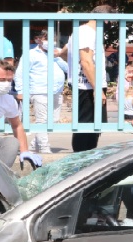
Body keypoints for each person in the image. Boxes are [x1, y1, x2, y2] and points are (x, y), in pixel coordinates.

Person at [60, 5, 115, 152]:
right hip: (87, 86)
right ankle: (81, 161)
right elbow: (86, 61)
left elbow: (65, 53)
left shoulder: (84, 32)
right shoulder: (86, 32)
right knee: (87, 128)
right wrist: (97, 89)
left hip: (88, 84)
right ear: (107, 20)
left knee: (94, 127)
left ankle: (84, 158)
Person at [15, 30, 69, 154]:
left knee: (54, 120)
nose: (50, 41)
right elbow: (20, 73)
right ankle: (44, 147)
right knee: (42, 120)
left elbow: (68, 68)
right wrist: (20, 91)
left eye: (53, 38)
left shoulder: (57, 53)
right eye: (46, 38)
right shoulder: (31, 54)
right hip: (40, 91)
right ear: (38, 39)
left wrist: (58, 56)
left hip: (56, 91)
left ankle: (35, 143)